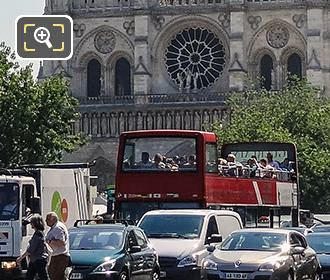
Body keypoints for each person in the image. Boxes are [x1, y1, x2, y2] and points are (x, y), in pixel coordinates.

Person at [16, 214, 49, 280]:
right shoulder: (40, 233)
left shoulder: (38, 234)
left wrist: (21, 258)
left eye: (31, 222)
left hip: (38, 260)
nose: (30, 224)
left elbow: (31, 249)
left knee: (43, 277)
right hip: (35, 260)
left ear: (35, 223)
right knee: (29, 277)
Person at [46, 212, 70, 280]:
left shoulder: (58, 228)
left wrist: (49, 241)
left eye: (47, 219)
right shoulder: (55, 227)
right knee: (57, 276)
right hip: (56, 256)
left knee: (56, 276)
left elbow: (62, 242)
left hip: (59, 257)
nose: (46, 221)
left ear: (53, 219)